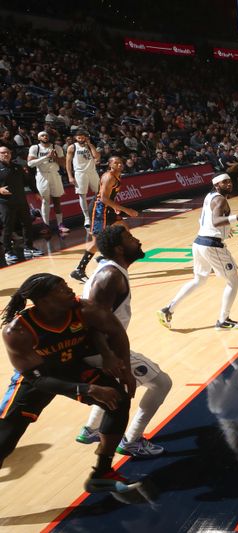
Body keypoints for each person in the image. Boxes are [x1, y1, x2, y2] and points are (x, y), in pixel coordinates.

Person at [0, 273, 140, 493]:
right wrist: (88, 389)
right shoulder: (17, 331)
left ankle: (102, 472)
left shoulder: (84, 309)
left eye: (66, 284)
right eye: (61, 289)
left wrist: (124, 368)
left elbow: (115, 331)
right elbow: (38, 379)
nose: (69, 290)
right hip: (36, 377)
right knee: (5, 438)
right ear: (45, 300)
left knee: (118, 400)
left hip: (72, 368)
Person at [76, 226, 172, 456]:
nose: (137, 240)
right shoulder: (111, 276)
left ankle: (91, 429)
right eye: (130, 238)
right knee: (161, 383)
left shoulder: (112, 270)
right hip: (103, 349)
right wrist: (113, 358)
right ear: (119, 248)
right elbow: (94, 323)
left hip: (99, 348)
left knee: (118, 385)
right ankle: (131, 441)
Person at [157, 173, 238, 330]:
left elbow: (204, 220)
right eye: (225, 182)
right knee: (234, 281)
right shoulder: (220, 199)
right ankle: (223, 320)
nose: (229, 184)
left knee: (199, 280)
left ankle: (167, 309)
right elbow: (216, 221)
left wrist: (226, 229)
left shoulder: (210, 196)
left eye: (230, 181)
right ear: (217, 185)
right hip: (212, 245)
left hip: (199, 242)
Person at [70, 156, 138, 283]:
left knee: (124, 231)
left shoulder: (117, 175)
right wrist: (125, 210)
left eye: (120, 162)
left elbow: (110, 197)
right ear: (110, 165)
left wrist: (115, 207)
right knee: (97, 242)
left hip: (108, 209)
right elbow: (103, 199)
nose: (119, 165)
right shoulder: (109, 177)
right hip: (99, 210)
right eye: (116, 163)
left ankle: (105, 257)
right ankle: (79, 270)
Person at [0, 146, 43, 265]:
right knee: (8, 227)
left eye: (7, 152)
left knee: (27, 223)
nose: (6, 154)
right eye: (3, 153)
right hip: (5, 203)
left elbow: (28, 180)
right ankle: (8, 251)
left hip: (21, 200)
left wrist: (36, 192)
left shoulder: (17, 167)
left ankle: (28, 247)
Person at [27, 131, 68, 235]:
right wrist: (46, 157)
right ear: (38, 137)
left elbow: (63, 164)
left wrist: (55, 158)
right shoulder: (35, 148)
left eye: (46, 135)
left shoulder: (57, 147)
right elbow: (30, 163)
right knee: (45, 201)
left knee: (57, 200)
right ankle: (46, 225)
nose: (45, 136)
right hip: (42, 175)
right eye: (42, 135)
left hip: (54, 174)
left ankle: (60, 224)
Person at [66, 130, 101, 228]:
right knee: (82, 195)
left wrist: (90, 145)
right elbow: (68, 163)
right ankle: (87, 218)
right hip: (80, 173)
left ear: (86, 137)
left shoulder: (89, 145)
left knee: (99, 193)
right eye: (79, 137)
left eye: (82, 137)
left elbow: (97, 156)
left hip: (92, 171)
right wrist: (70, 176)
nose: (81, 139)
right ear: (75, 138)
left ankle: (99, 213)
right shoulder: (72, 147)